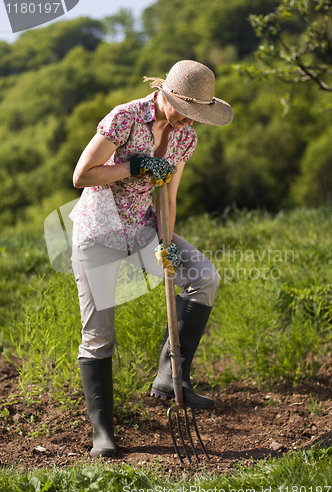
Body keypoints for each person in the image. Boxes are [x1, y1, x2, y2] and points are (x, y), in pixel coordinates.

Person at [69, 60, 233, 457]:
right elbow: (81, 176)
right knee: (99, 333)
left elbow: (169, 196)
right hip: (100, 230)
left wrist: (165, 241)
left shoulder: (184, 138)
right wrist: (134, 166)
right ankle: (103, 434)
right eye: (185, 112)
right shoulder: (125, 118)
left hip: (144, 226)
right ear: (167, 95)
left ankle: (170, 377)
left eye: (198, 116)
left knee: (204, 277)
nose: (188, 122)